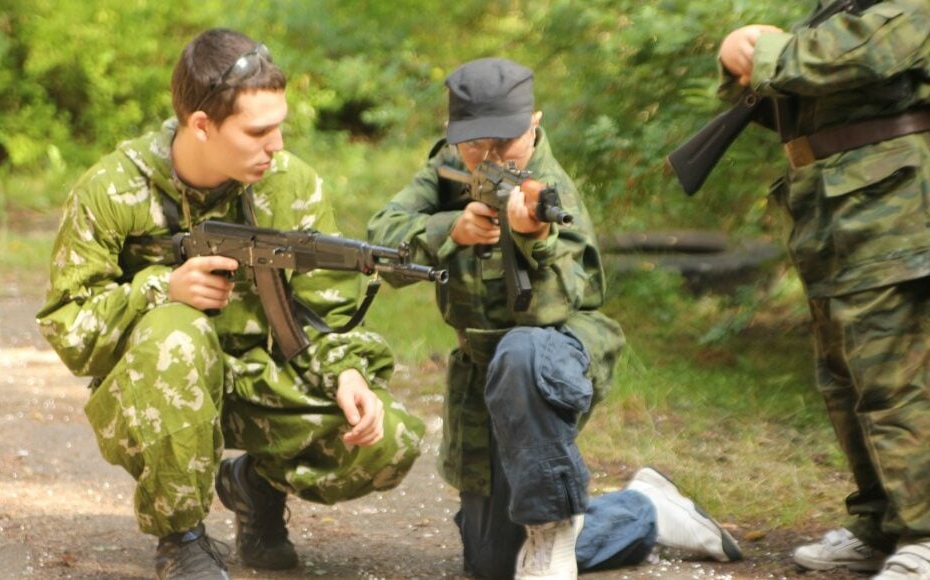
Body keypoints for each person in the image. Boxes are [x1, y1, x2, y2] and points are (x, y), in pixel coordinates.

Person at [36, 28, 425, 580]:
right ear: (202, 125)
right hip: (155, 393)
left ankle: (255, 488)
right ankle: (183, 539)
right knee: (177, 335)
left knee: (390, 439)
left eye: (281, 126)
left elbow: (325, 313)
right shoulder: (112, 190)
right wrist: (160, 291)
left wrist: (348, 372)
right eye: (259, 131)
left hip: (259, 381)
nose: (278, 146)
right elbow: (68, 327)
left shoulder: (291, 186)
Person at [367, 57, 743, 579]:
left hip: (558, 358)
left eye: (506, 143)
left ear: (535, 122)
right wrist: (450, 229)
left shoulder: (548, 191)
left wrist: (532, 238)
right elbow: (379, 241)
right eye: (475, 145)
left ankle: (552, 529)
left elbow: (561, 305)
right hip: (485, 378)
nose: (489, 157)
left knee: (521, 350)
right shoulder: (448, 170)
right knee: (494, 563)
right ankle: (646, 511)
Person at [716, 2, 930, 578]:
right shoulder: (835, 9)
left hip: (893, 215)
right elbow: (796, 100)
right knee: (842, 378)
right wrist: (740, 60)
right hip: (827, 214)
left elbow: (860, 53)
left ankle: (925, 533)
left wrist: (759, 49)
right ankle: (880, 523)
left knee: (894, 379)